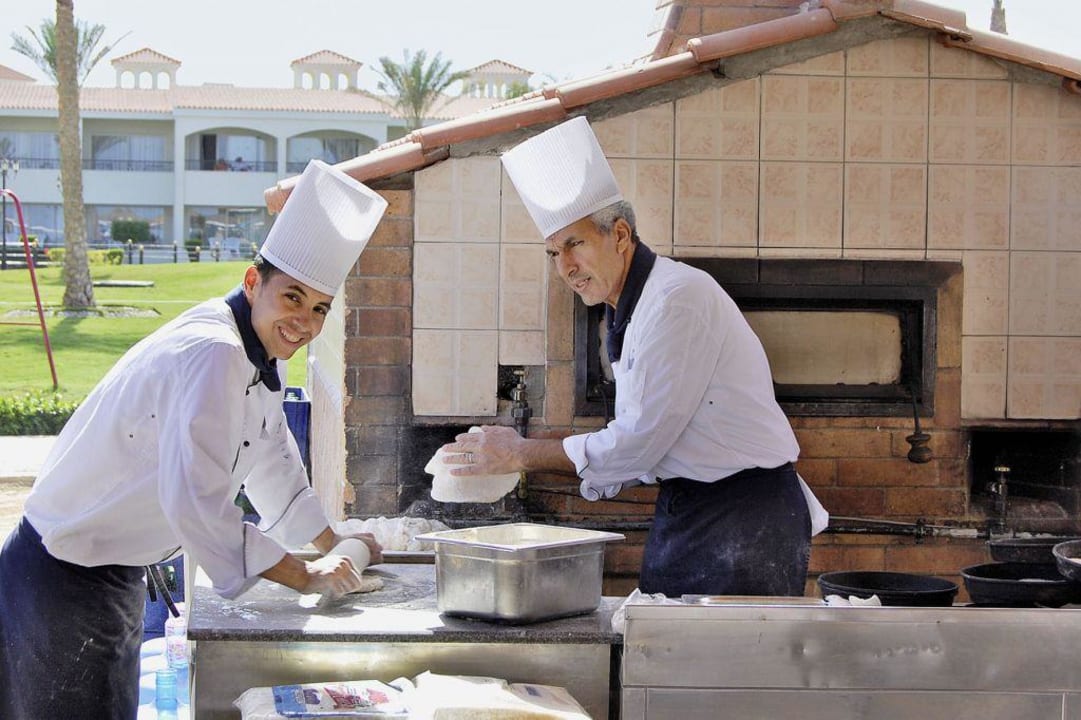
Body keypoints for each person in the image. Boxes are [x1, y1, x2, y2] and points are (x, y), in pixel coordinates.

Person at [0, 159, 388, 719]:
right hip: (62, 581)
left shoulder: (254, 356)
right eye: (293, 298)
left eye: (320, 309)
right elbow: (195, 504)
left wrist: (336, 545)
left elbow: (274, 465)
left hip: (110, 575)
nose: (304, 321)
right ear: (254, 282)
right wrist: (303, 574)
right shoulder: (215, 352)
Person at [442, 117, 827, 599]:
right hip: (692, 507)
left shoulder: (675, 299)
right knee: (665, 655)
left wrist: (522, 452)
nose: (565, 268)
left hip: (743, 518)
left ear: (620, 235)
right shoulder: (630, 308)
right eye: (553, 253)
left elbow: (639, 441)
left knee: (723, 667)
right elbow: (643, 445)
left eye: (575, 244)